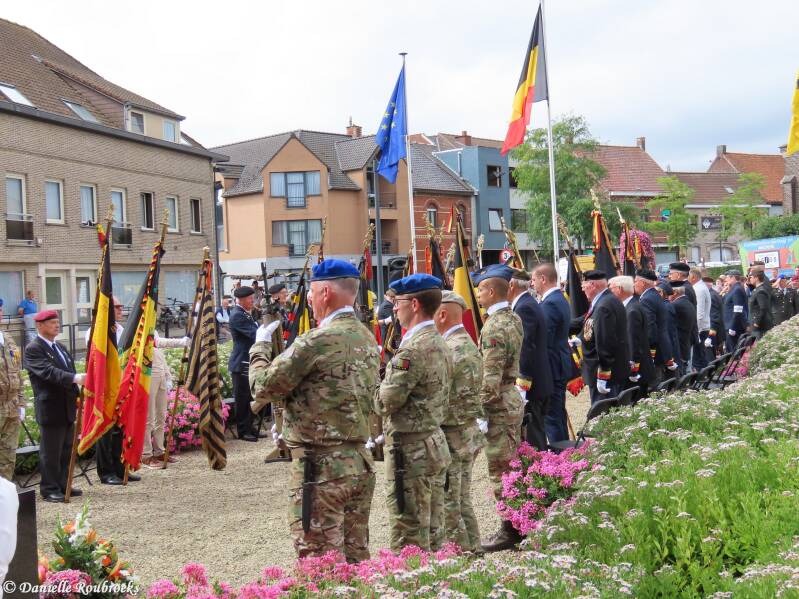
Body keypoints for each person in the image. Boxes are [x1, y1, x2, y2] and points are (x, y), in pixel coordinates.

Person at [249, 259, 380, 562]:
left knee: (320, 563)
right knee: (355, 558)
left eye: (310, 292)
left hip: (320, 467)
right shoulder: (365, 336)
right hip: (357, 461)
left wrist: (260, 346)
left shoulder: (315, 341)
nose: (308, 299)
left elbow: (262, 386)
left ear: (325, 293)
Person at [376, 273, 451, 552]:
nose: (394, 307)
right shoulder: (438, 340)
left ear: (415, 304)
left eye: (399, 302)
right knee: (433, 530)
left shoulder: (412, 350)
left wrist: (369, 384)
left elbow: (385, 402)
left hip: (411, 452)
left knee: (408, 535)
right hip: (431, 442)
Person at [473, 263, 524, 552]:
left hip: (498, 405)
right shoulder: (512, 317)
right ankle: (518, 523)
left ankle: (510, 530)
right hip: (510, 397)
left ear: (491, 291)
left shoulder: (494, 325)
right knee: (511, 465)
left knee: (501, 470)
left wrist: (479, 413)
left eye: (481, 290)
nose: (478, 295)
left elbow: (489, 378)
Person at [434, 290, 483, 553]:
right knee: (462, 500)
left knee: (449, 503)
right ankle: (474, 550)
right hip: (466, 432)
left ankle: (460, 557)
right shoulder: (466, 343)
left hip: (452, 436)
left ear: (442, 314)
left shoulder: (449, 349)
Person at [25, 310, 85, 502]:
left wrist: (78, 394)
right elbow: (48, 372)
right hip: (50, 407)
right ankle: (49, 488)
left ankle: (63, 484)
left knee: (66, 449)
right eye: (51, 322)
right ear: (39, 325)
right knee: (51, 452)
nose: (57, 325)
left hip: (67, 406)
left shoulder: (60, 346)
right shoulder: (34, 348)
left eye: (57, 322)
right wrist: (75, 378)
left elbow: (69, 369)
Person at [507, 269, 553, 451]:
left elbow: (526, 347)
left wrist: (522, 385)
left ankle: (541, 468)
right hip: (538, 381)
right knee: (535, 435)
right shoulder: (527, 303)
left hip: (532, 386)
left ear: (511, 285)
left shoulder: (524, 307)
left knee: (534, 440)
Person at [532, 263, 572, 445]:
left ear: (543, 279)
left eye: (533, 279)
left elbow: (544, 341)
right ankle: (565, 452)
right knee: (557, 415)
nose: (532, 284)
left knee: (552, 418)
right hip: (558, 364)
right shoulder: (558, 298)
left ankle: (560, 455)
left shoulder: (550, 304)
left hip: (552, 367)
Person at [579, 270, 630, 403]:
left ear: (592, 285)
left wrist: (603, 375)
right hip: (613, 370)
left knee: (604, 411)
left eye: (584, 286)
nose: (583, 289)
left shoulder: (603, 306)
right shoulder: (608, 300)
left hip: (605, 372)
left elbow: (605, 343)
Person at [141, 332, 190, 468]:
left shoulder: (152, 328)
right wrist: (180, 342)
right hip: (147, 375)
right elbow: (158, 342)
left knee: (161, 417)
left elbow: (159, 354)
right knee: (148, 418)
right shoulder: (142, 327)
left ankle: (159, 451)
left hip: (160, 375)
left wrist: (167, 375)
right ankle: (146, 454)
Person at [608, 276, 655, 397]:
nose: (609, 292)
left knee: (634, 403)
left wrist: (633, 369)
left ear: (619, 289)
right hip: (638, 367)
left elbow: (632, 341)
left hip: (635, 371)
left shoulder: (631, 310)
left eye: (611, 288)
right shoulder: (632, 305)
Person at [635, 269, 678, 385]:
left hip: (655, 349)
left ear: (642, 283)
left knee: (655, 386)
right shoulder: (653, 294)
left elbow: (650, 329)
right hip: (662, 346)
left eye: (636, 281)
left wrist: (645, 349)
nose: (634, 284)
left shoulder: (647, 299)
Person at [229, 286, 261, 442]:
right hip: (241, 361)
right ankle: (243, 430)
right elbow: (253, 334)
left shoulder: (245, 313)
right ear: (241, 300)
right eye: (250, 298)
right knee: (242, 398)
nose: (252, 301)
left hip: (247, 360)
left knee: (249, 396)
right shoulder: (237, 315)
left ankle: (250, 426)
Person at [0, 299, 25, 481]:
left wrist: (21, 402)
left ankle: (4, 492)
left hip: (12, 406)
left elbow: (18, 372)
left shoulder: (7, 338)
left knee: (8, 456)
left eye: (0, 309)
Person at [670, 282, 699, 375]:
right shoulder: (688, 303)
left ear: (675, 293)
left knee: (680, 374)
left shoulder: (676, 305)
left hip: (679, 345)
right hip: (686, 343)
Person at [689, 268, 711, 370]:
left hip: (700, 328)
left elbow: (699, 313)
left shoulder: (698, 289)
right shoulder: (700, 287)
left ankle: (702, 377)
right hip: (703, 327)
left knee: (698, 359)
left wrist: (696, 330)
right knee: (700, 356)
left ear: (693, 277)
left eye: (689, 276)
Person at [722, 270, 749, 352]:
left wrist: (733, 327)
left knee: (734, 352)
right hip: (730, 325)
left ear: (733, 277)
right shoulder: (734, 288)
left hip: (734, 327)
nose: (726, 280)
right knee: (730, 351)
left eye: (727, 277)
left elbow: (738, 310)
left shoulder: (737, 289)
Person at [748, 270, 774, 339]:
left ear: (756, 278)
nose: (750, 279)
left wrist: (757, 323)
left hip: (761, 326)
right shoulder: (757, 289)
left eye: (751, 277)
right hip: (757, 324)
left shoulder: (760, 291)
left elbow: (763, 308)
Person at [704, 276, 725, 359]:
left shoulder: (711, 296)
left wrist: (710, 336)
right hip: (716, 329)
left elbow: (714, 316)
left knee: (710, 355)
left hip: (713, 330)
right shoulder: (713, 293)